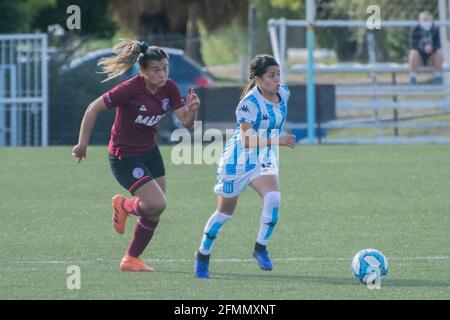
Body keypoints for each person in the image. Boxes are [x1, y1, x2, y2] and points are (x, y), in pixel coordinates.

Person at [72, 39, 200, 272]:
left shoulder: (169, 88)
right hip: (124, 156)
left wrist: (192, 110)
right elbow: (92, 109)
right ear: (143, 71)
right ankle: (124, 206)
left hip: (150, 151)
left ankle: (131, 258)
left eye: (165, 68)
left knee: (156, 207)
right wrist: (82, 144)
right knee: (156, 203)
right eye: (155, 69)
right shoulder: (130, 89)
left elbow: (186, 122)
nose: (162, 74)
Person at [194, 54, 296, 279]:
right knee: (224, 214)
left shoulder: (283, 93)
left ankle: (260, 248)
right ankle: (202, 255)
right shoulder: (248, 104)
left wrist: (274, 142)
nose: (277, 79)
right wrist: (278, 140)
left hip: (264, 157)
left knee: (273, 199)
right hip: (238, 161)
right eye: (271, 75)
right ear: (257, 79)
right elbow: (247, 140)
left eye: (278, 74)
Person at [409, 11, 444, 84]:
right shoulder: (415, 29)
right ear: (420, 21)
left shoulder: (435, 29)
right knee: (413, 53)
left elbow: (438, 44)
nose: (426, 22)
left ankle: (438, 77)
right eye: (424, 20)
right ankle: (413, 78)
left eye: (428, 20)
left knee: (439, 52)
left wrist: (432, 48)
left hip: (431, 58)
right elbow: (412, 45)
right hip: (419, 58)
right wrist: (423, 48)